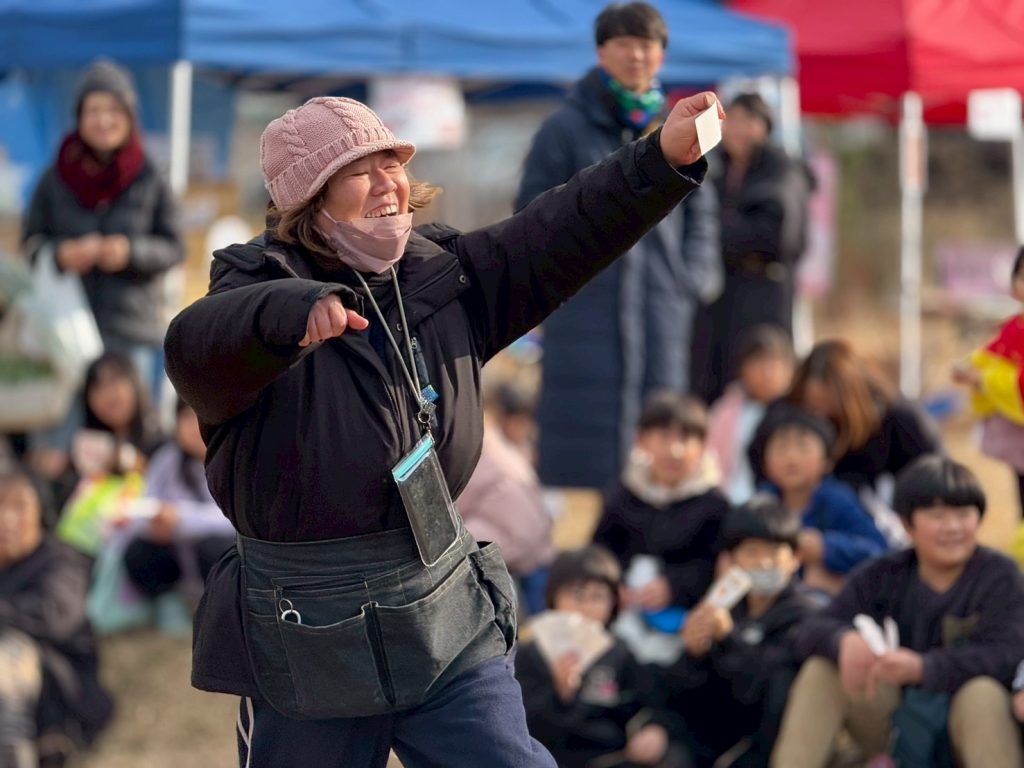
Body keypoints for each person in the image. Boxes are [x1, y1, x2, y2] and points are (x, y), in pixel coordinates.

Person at [164, 90, 719, 767]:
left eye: (392, 164)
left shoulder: (443, 274)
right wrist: (289, 314)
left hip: (442, 610)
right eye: (359, 171)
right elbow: (194, 346)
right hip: (307, 634)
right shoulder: (249, 289)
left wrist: (660, 159)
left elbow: (560, 227)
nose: (388, 184)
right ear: (308, 197)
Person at [515, 1, 721, 491]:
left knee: (660, 452)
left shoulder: (679, 129)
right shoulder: (563, 130)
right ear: (601, 52)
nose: (636, 55)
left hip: (661, 310)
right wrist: (564, 277)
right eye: (623, 43)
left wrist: (690, 281)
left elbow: (703, 217)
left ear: (661, 55)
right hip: (584, 312)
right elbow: (532, 216)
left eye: (646, 45)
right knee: (581, 467)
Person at [772, 456, 1024, 767]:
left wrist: (924, 667)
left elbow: (1007, 654)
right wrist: (843, 639)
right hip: (897, 725)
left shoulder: (1001, 576)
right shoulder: (885, 573)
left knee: (982, 693)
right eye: (937, 516)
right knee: (822, 670)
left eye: (964, 514)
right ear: (907, 524)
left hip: (971, 729)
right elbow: (811, 628)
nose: (953, 527)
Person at [21, 59, 183, 395]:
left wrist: (130, 252)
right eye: (93, 110)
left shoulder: (150, 177)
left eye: (113, 110)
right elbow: (30, 242)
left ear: (129, 116)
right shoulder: (55, 177)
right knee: (71, 425)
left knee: (129, 421)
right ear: (79, 117)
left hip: (131, 331)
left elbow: (175, 247)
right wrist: (59, 255)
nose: (103, 120)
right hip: (66, 330)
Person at [661, 495, 818, 768]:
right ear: (730, 560)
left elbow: (767, 686)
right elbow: (683, 687)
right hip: (710, 740)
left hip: (766, 747)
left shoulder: (806, 614)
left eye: (774, 552)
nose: (764, 563)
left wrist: (728, 639)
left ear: (795, 557)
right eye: (751, 552)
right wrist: (695, 651)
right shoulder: (724, 607)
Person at [515, 546, 687, 768]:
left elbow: (651, 704)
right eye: (577, 595)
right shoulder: (532, 654)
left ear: (613, 602)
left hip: (610, 757)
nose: (586, 607)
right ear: (553, 597)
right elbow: (524, 727)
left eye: (597, 597)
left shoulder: (619, 652)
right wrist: (561, 693)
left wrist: (654, 729)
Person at [690, 92, 812, 404]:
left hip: (764, 294)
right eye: (732, 120)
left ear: (765, 127)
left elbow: (776, 235)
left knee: (761, 373)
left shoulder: (781, 170)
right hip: (723, 295)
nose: (738, 129)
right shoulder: (716, 168)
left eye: (748, 121)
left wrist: (720, 231)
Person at [0, 466, 112, 768]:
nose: (6, 519)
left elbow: (54, 617)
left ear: (40, 512)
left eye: (19, 506)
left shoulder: (62, 560)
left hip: (56, 688)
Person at [788, 339, 939, 545]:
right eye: (812, 406)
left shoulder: (899, 419)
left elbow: (934, 479)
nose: (819, 413)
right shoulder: (797, 420)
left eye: (826, 403)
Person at [593, 392, 729, 616]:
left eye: (686, 438)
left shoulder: (714, 505)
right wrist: (614, 585)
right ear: (642, 440)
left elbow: (713, 564)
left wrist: (675, 587)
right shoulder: (623, 494)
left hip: (687, 618)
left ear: (703, 446)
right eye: (664, 437)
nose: (675, 450)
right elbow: (601, 551)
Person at [748, 402, 888, 596]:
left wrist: (825, 548)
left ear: (827, 461)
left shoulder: (838, 501)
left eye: (803, 447)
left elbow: (878, 551)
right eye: (781, 448)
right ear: (764, 462)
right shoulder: (760, 505)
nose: (791, 457)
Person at [121, 399, 235, 618]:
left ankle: (222, 604)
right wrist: (153, 525)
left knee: (213, 547)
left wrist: (180, 519)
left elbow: (235, 520)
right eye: (186, 417)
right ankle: (169, 600)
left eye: (201, 415)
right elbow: (143, 506)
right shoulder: (167, 460)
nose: (194, 426)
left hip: (217, 557)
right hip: (176, 556)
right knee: (138, 552)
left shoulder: (234, 457)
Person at [953, 245, 1024, 513]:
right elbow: (990, 356)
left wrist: (984, 379)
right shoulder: (1013, 327)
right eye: (1022, 275)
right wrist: (970, 369)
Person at [706, 324, 794, 504]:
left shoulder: (795, 414)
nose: (767, 374)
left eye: (774, 365)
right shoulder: (724, 411)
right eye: (758, 364)